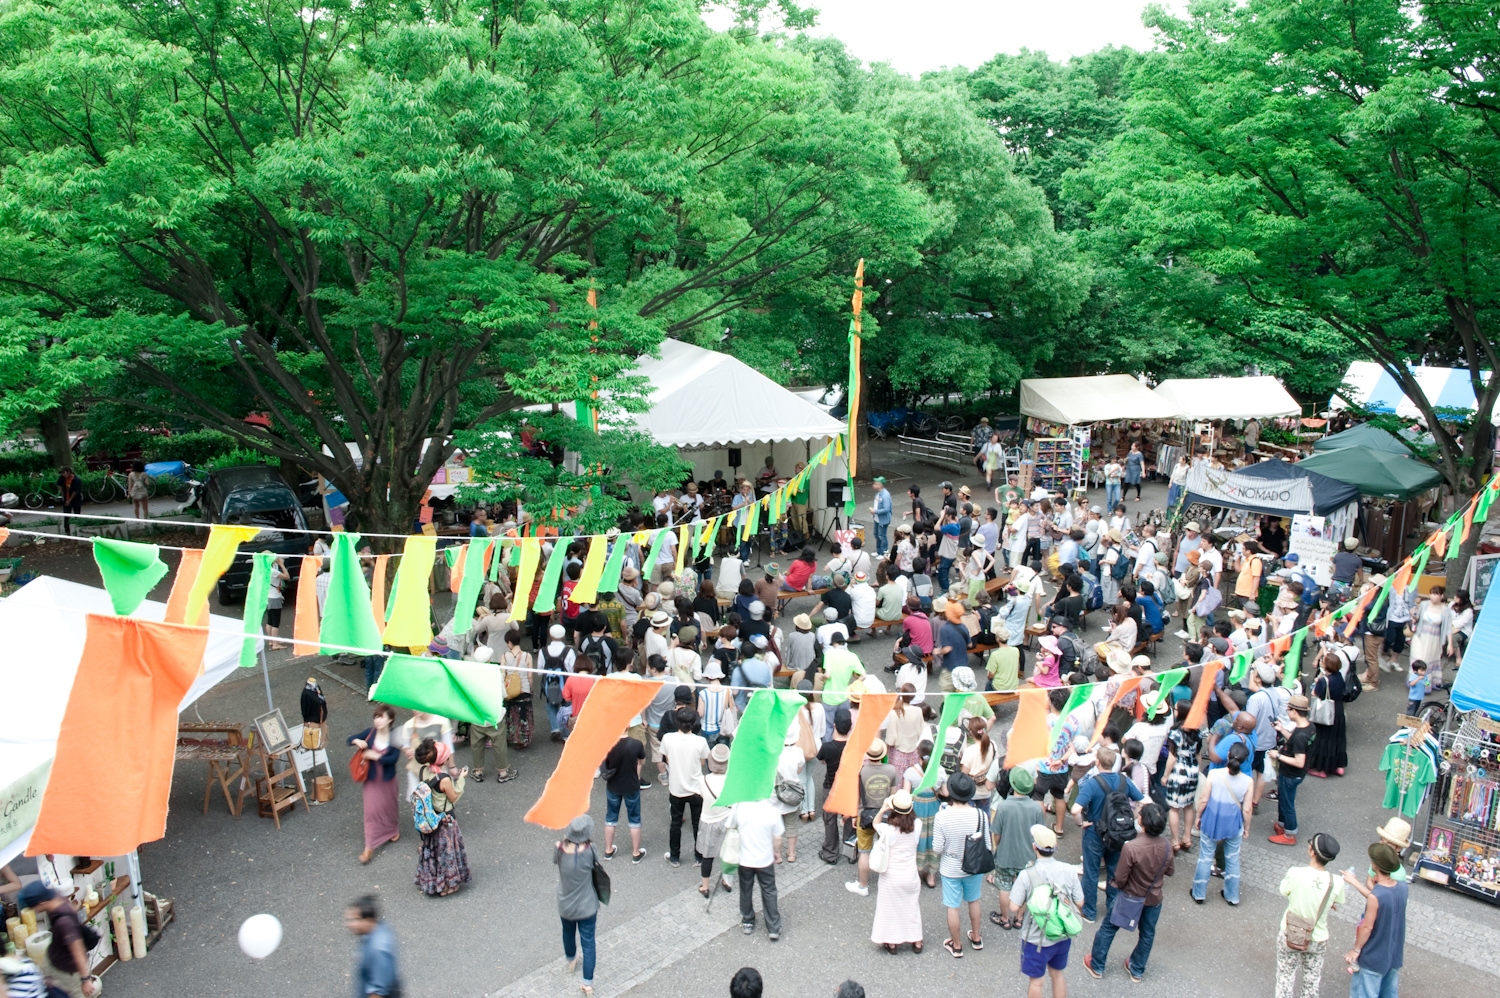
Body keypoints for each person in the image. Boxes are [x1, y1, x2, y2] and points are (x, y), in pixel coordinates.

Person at [1083, 802, 1173, 982]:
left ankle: (1097, 964)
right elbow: (1170, 871)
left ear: (1144, 823)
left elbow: (1121, 877)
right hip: (1154, 897)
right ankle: (1136, 969)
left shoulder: (1131, 847)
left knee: (1108, 928)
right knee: (1147, 934)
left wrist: (1115, 883)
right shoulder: (1167, 845)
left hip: (1130, 896)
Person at [1070, 744, 1144, 923]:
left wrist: (1082, 823)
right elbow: (1141, 801)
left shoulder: (1092, 783)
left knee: (1091, 872)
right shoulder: (1124, 781)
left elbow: (1075, 809)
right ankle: (1112, 909)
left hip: (1095, 832)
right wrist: (1131, 819)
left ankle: (1089, 911)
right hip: (1118, 834)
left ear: (1097, 762)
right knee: (1115, 871)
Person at [1010, 824, 1084, 996]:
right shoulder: (1069, 870)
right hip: (1063, 933)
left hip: (1036, 939)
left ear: (1034, 847)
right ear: (1056, 847)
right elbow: (1079, 901)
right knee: (1057, 974)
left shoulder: (1027, 874)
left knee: (1037, 982)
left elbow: (1013, 906)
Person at [1275, 833, 1344, 998]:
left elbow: (1284, 890)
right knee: (1311, 982)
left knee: (1285, 976)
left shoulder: (1295, 873)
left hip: (1290, 932)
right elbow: (1336, 900)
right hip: (1318, 937)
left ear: (1312, 852)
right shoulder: (1336, 882)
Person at [1191, 742, 1253, 906]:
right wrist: (1246, 827)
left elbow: (1204, 799)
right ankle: (1232, 896)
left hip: (1212, 820)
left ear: (1228, 756)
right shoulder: (1248, 781)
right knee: (1232, 859)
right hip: (1233, 823)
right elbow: (1247, 809)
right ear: (1245, 761)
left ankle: (1199, 893)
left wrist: (1199, 817)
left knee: (1205, 857)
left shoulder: (1214, 774)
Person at [1343, 843, 1408, 998]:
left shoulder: (1376, 896)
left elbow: (1367, 927)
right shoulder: (1403, 887)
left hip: (1374, 956)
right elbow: (1381, 898)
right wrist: (1355, 882)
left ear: (1375, 865)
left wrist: (1356, 949)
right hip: (1393, 954)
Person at [932, 772, 985, 958]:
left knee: (953, 906)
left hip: (951, 867)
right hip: (973, 866)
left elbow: (937, 848)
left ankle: (956, 945)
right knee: (974, 900)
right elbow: (986, 844)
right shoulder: (980, 814)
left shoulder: (942, 817)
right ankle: (976, 937)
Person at [15, 882, 98, 998]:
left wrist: (85, 979)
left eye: (33, 907)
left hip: (70, 973)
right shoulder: (58, 898)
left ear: (42, 903)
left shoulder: (64, 923)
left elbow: (77, 950)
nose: (34, 910)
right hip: (54, 960)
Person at [413, 738, 470, 895]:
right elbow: (453, 797)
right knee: (447, 853)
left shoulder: (423, 771)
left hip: (431, 819)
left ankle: (433, 883)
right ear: (442, 759)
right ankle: (448, 884)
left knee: (434, 852)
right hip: (445, 819)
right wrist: (461, 779)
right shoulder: (443, 779)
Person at [869, 789, 924, 953]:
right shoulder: (918, 825)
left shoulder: (889, 830)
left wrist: (884, 808)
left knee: (889, 909)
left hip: (891, 876)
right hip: (910, 875)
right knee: (911, 907)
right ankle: (917, 940)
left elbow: (875, 824)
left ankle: (892, 943)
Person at [990, 767, 1044, 929]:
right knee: (1027, 888)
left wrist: (998, 846)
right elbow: (1039, 834)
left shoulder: (1004, 806)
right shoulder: (1036, 808)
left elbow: (996, 833)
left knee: (1005, 886)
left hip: (1006, 854)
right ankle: (1019, 918)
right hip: (1028, 856)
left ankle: (1005, 918)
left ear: (1013, 785)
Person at [349, 704, 403, 864]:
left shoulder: (395, 736)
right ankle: (369, 847)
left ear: (390, 720)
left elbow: (393, 759)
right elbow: (349, 739)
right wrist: (357, 740)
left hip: (387, 780)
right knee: (371, 812)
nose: (377, 720)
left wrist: (376, 756)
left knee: (389, 807)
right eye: (376, 717)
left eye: (381, 717)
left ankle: (392, 830)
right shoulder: (370, 733)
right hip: (372, 780)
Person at [556, 815, 601, 995]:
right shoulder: (591, 850)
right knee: (588, 942)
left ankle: (571, 959)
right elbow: (596, 866)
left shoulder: (558, 849)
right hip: (587, 905)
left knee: (567, 932)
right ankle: (587, 983)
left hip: (565, 904)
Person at [730, 795, 785, 940]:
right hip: (765, 859)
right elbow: (777, 837)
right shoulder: (772, 810)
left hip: (744, 858)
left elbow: (730, 827)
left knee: (746, 888)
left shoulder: (739, 807)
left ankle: (747, 920)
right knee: (769, 890)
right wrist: (777, 853)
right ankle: (773, 927)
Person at [847, 738, 898, 896]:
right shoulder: (891, 770)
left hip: (866, 815)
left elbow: (857, 795)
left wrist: (854, 814)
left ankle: (863, 885)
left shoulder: (861, 771)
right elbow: (893, 795)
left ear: (867, 755)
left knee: (864, 851)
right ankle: (890, 885)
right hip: (885, 815)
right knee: (889, 850)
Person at [662, 707, 710, 867]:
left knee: (675, 823)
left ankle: (674, 857)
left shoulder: (668, 739)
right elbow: (703, 762)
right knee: (698, 823)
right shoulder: (700, 741)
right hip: (696, 788)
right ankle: (699, 856)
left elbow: (667, 760)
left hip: (676, 788)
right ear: (694, 723)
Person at [1270, 695, 1315, 846]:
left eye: (1288, 709)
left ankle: (1290, 834)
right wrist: (1282, 730)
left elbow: (1299, 761)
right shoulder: (1308, 727)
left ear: (1294, 711)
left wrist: (1278, 755)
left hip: (1291, 774)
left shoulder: (1300, 736)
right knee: (1283, 800)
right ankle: (1282, 825)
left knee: (1287, 804)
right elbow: (1295, 743)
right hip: (1294, 775)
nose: (1288, 712)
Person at [345, 894, 401, 998]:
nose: (349, 924)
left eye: (356, 920)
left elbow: (378, 992)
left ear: (370, 920)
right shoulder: (379, 929)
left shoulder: (378, 950)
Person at [603, 733, 647, 862]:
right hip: (631, 785)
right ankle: (635, 853)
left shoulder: (608, 743)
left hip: (613, 786)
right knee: (634, 820)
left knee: (611, 818)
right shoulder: (636, 744)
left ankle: (608, 850)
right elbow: (642, 761)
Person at [1307, 653, 1348, 777]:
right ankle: (1337, 765)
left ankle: (1320, 768)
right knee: (1337, 738)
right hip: (1338, 709)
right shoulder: (1339, 676)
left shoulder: (1324, 681)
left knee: (1323, 739)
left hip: (1326, 711)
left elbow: (1315, 693)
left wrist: (1318, 677)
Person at [1407, 585, 1453, 688]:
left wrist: (1450, 644)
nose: (1433, 596)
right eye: (1431, 593)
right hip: (1420, 636)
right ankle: (1413, 682)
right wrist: (1414, 615)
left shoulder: (1445, 610)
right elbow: (1417, 618)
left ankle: (1425, 684)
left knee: (1426, 661)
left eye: (1436, 594)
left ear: (1441, 596)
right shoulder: (1424, 604)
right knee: (1417, 659)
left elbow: (1448, 628)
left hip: (1433, 639)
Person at [869, 476, 893, 556]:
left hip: (883, 519)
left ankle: (884, 552)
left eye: (876, 483)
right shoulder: (878, 493)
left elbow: (886, 509)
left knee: (882, 536)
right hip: (877, 518)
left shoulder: (885, 495)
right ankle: (879, 551)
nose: (873, 485)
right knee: (876, 534)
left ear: (880, 485)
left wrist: (875, 511)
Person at [56, 466, 82, 535]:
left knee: (77, 514)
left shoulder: (76, 479)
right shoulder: (62, 478)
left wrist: (69, 500)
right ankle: (67, 530)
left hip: (75, 499)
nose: (63, 475)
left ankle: (78, 528)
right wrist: (62, 493)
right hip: (66, 498)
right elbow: (58, 484)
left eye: (64, 473)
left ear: (69, 472)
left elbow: (76, 491)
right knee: (66, 515)